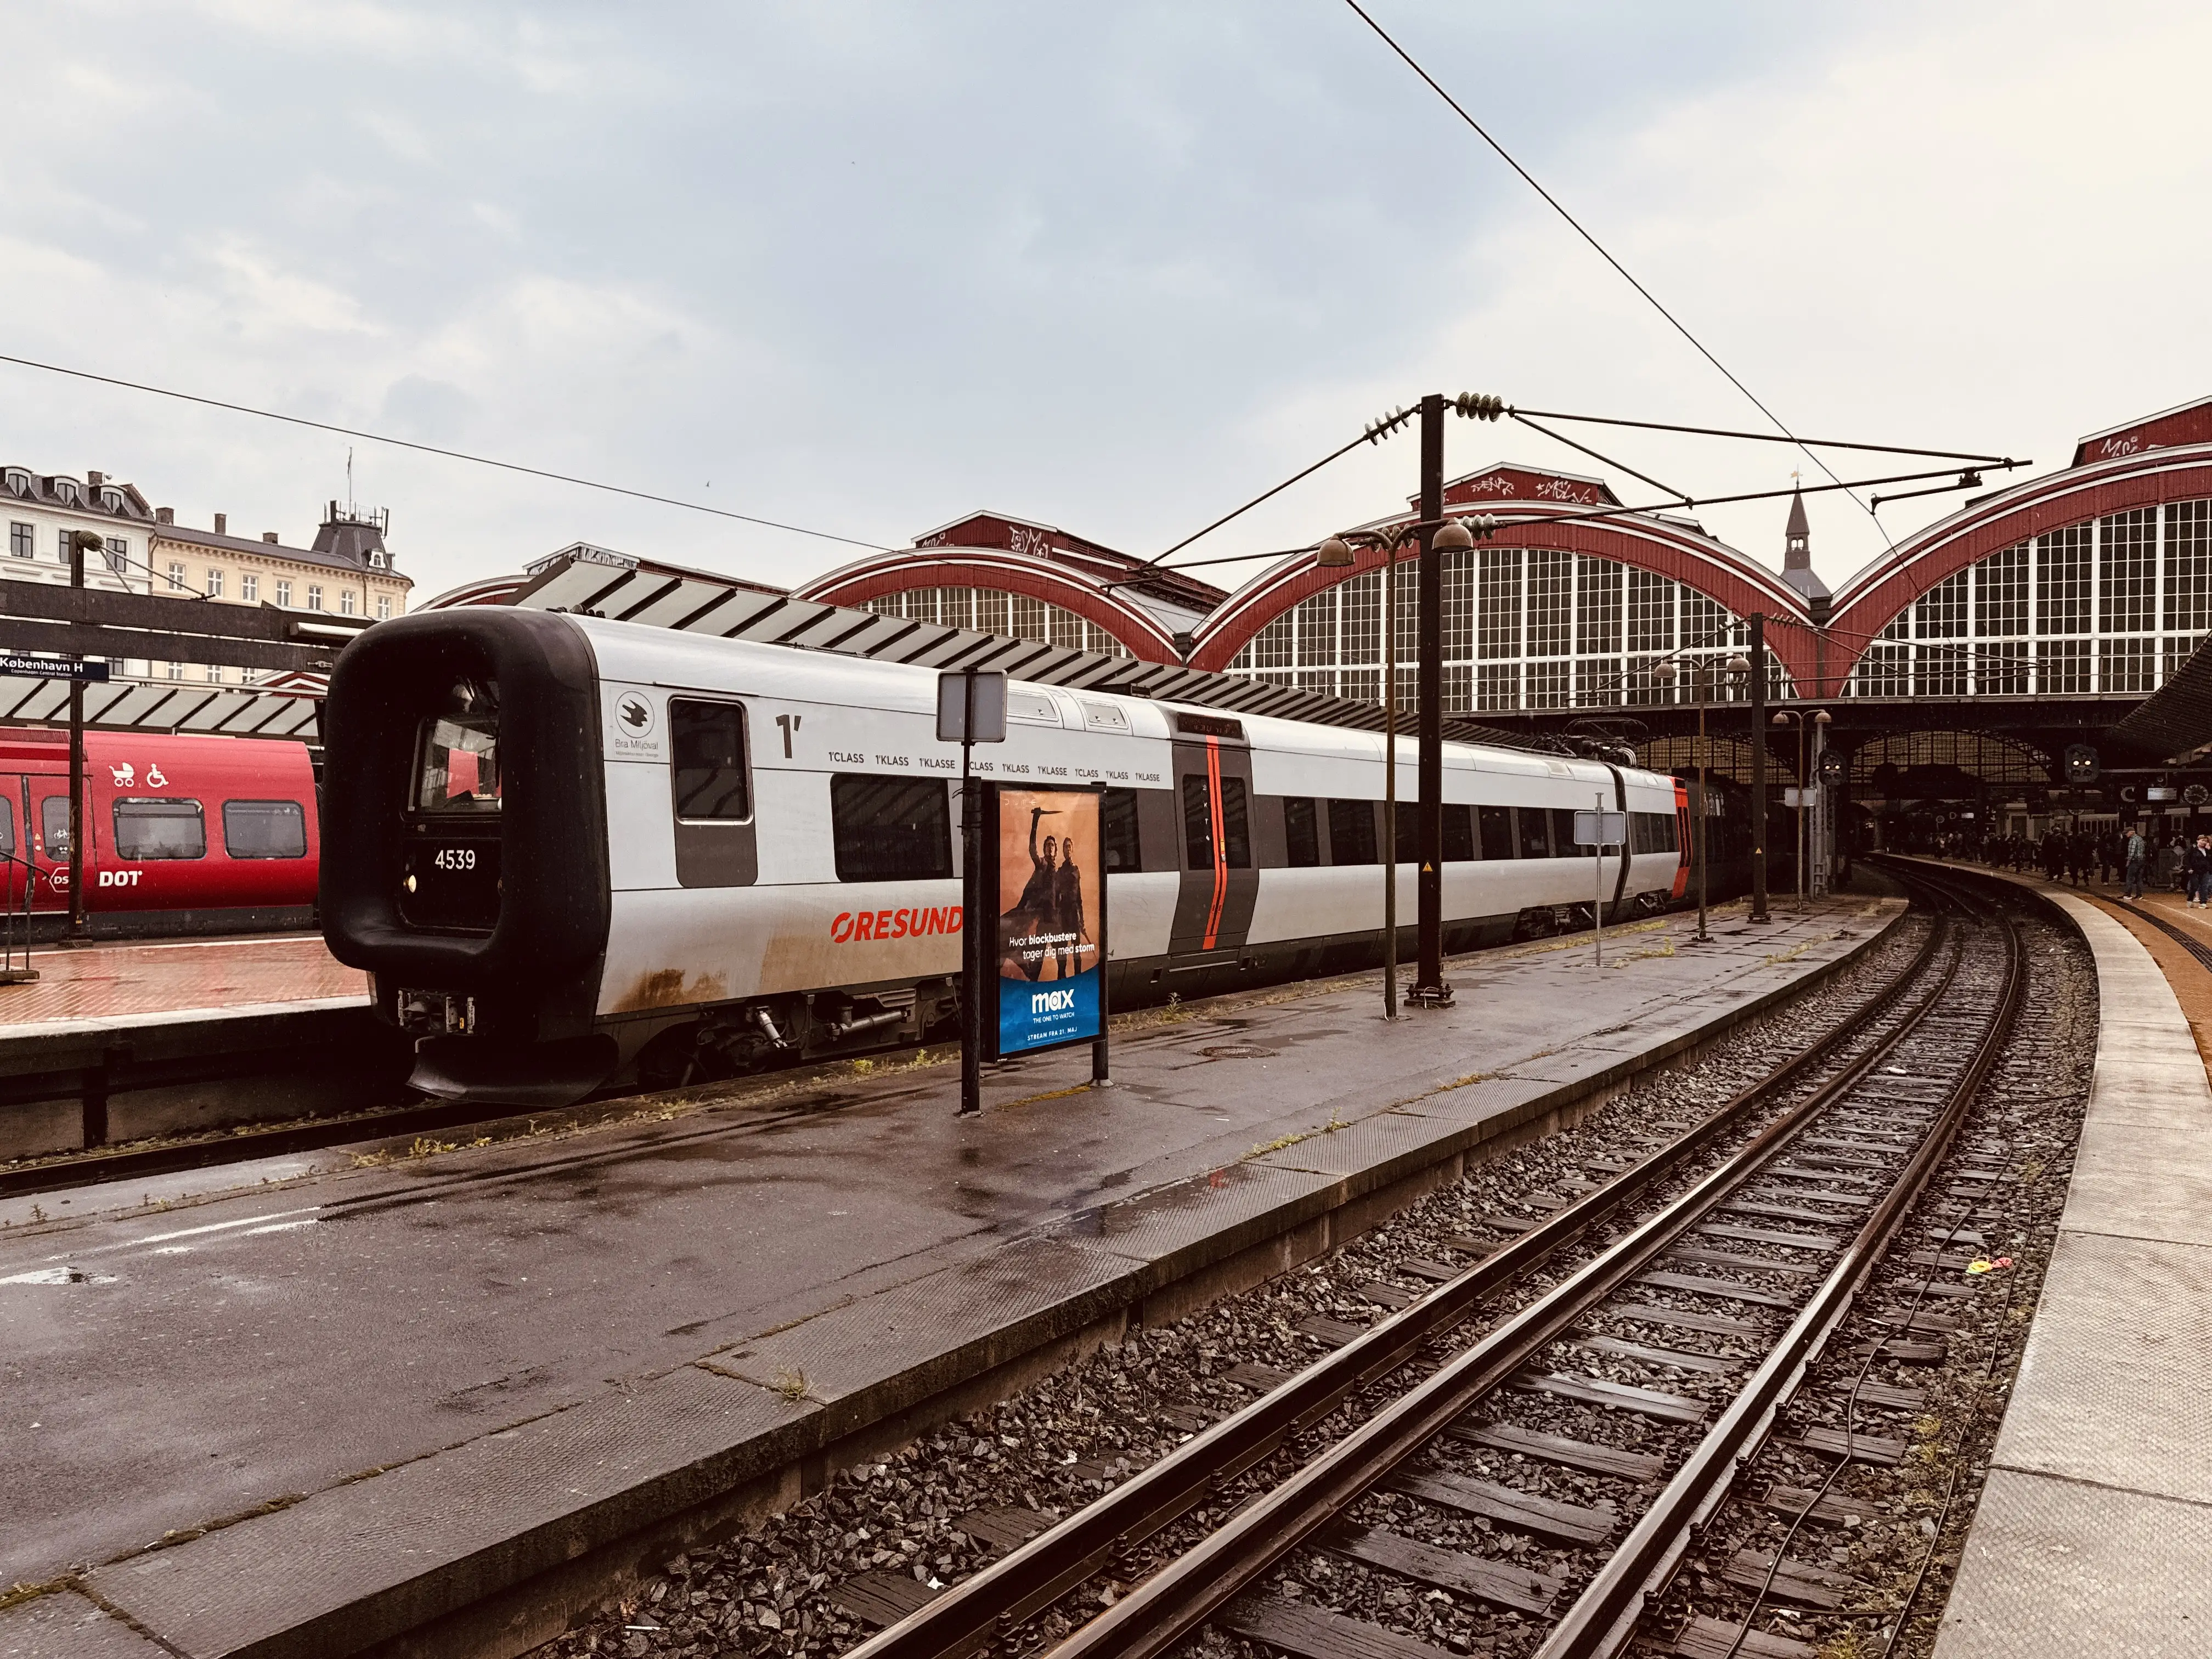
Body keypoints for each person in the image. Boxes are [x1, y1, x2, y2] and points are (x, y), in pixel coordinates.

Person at [2188, 834, 2212, 909]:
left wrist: (2210, 851)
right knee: (2195, 886)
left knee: (2205, 886)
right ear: (2198, 841)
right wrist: (2189, 868)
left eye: (2206, 841)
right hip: (2195, 871)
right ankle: (2190, 899)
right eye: (2202, 840)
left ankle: (2203, 903)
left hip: (2205, 871)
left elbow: (2210, 860)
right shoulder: (2192, 850)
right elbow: (2187, 859)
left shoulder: (2208, 851)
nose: (2204, 842)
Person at [2124, 825, 2148, 900]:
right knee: (2139, 878)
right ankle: (2139, 895)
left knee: (2130, 877)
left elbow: (2132, 853)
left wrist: (2128, 862)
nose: (2126, 834)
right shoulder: (2140, 838)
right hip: (2142, 860)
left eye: (2127, 833)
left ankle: (2128, 895)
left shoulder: (2133, 840)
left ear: (2132, 832)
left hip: (2135, 861)